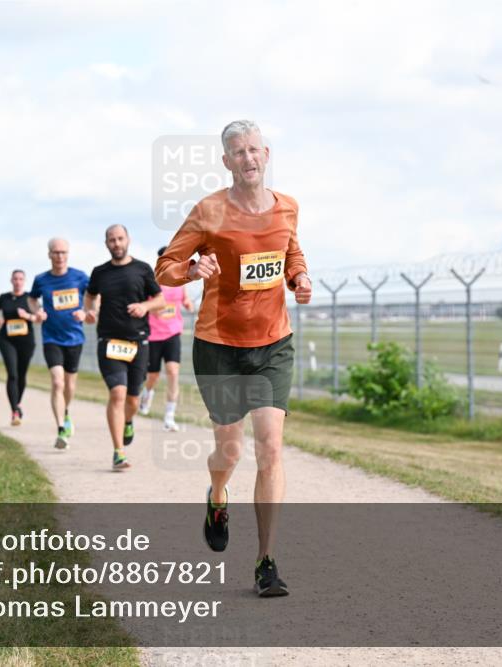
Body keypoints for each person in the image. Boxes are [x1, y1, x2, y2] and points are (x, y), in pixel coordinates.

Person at [155, 120, 312, 597]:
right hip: (219, 345)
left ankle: (266, 561)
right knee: (231, 451)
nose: (248, 158)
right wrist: (191, 268)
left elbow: (291, 252)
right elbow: (165, 267)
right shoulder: (209, 211)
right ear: (227, 162)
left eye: (254, 150)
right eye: (238, 152)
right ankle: (218, 496)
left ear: (267, 154)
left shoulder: (288, 207)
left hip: (272, 345)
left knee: (269, 446)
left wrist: (299, 278)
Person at [83, 224, 164, 471]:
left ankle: (128, 420)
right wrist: (90, 310)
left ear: (128, 239)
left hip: (138, 341)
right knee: (117, 393)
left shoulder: (142, 269)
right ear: (106, 243)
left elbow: (159, 300)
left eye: (120, 239)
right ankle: (118, 451)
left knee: (133, 398)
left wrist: (144, 307)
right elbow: (90, 296)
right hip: (109, 341)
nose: (116, 243)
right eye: (111, 240)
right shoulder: (99, 272)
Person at [28, 238, 89, 449]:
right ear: (49, 255)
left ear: (68, 254)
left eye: (63, 252)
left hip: (74, 338)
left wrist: (87, 311)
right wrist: (37, 312)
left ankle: (65, 411)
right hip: (51, 337)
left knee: (70, 385)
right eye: (56, 253)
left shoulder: (79, 277)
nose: (60, 256)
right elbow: (32, 298)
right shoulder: (41, 280)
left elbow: (93, 296)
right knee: (57, 382)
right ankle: (61, 429)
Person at [140, 246, 195, 431]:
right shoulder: (152, 282)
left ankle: (169, 416)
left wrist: (188, 305)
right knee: (153, 375)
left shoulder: (179, 282)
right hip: (154, 335)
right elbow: (146, 305)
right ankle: (147, 393)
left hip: (173, 333)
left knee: (172, 372)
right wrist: (155, 307)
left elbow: (183, 299)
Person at [0, 269, 36, 425]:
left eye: (21, 279)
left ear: (24, 281)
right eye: (15, 278)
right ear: (11, 280)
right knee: (13, 374)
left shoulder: (30, 298)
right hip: (6, 339)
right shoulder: (4, 298)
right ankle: (14, 411)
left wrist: (27, 316)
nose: (18, 281)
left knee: (22, 375)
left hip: (26, 341)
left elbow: (41, 317)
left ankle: (17, 403)